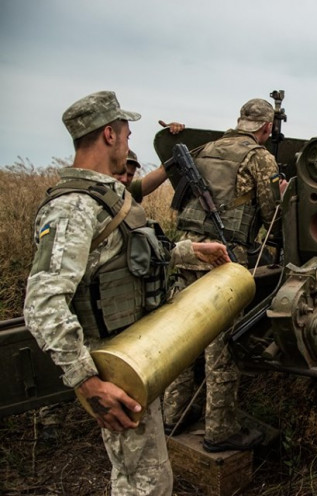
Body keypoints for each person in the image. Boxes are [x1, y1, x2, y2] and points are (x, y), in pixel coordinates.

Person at [23, 90, 231, 495]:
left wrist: (190, 250)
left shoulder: (109, 194)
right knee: (146, 484)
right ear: (108, 135)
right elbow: (42, 303)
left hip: (135, 352)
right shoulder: (72, 208)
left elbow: (134, 255)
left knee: (140, 476)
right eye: (128, 135)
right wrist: (87, 381)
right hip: (113, 368)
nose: (128, 145)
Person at [163, 97, 281, 452]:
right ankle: (220, 429)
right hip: (222, 259)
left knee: (183, 340)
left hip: (186, 253)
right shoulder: (260, 157)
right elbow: (271, 212)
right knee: (221, 349)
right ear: (267, 127)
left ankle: (175, 413)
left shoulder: (208, 148)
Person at [113, 120, 185, 202]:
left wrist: (173, 138)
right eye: (120, 173)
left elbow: (164, 169)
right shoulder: (97, 190)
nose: (125, 179)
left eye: (130, 175)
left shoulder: (126, 192)